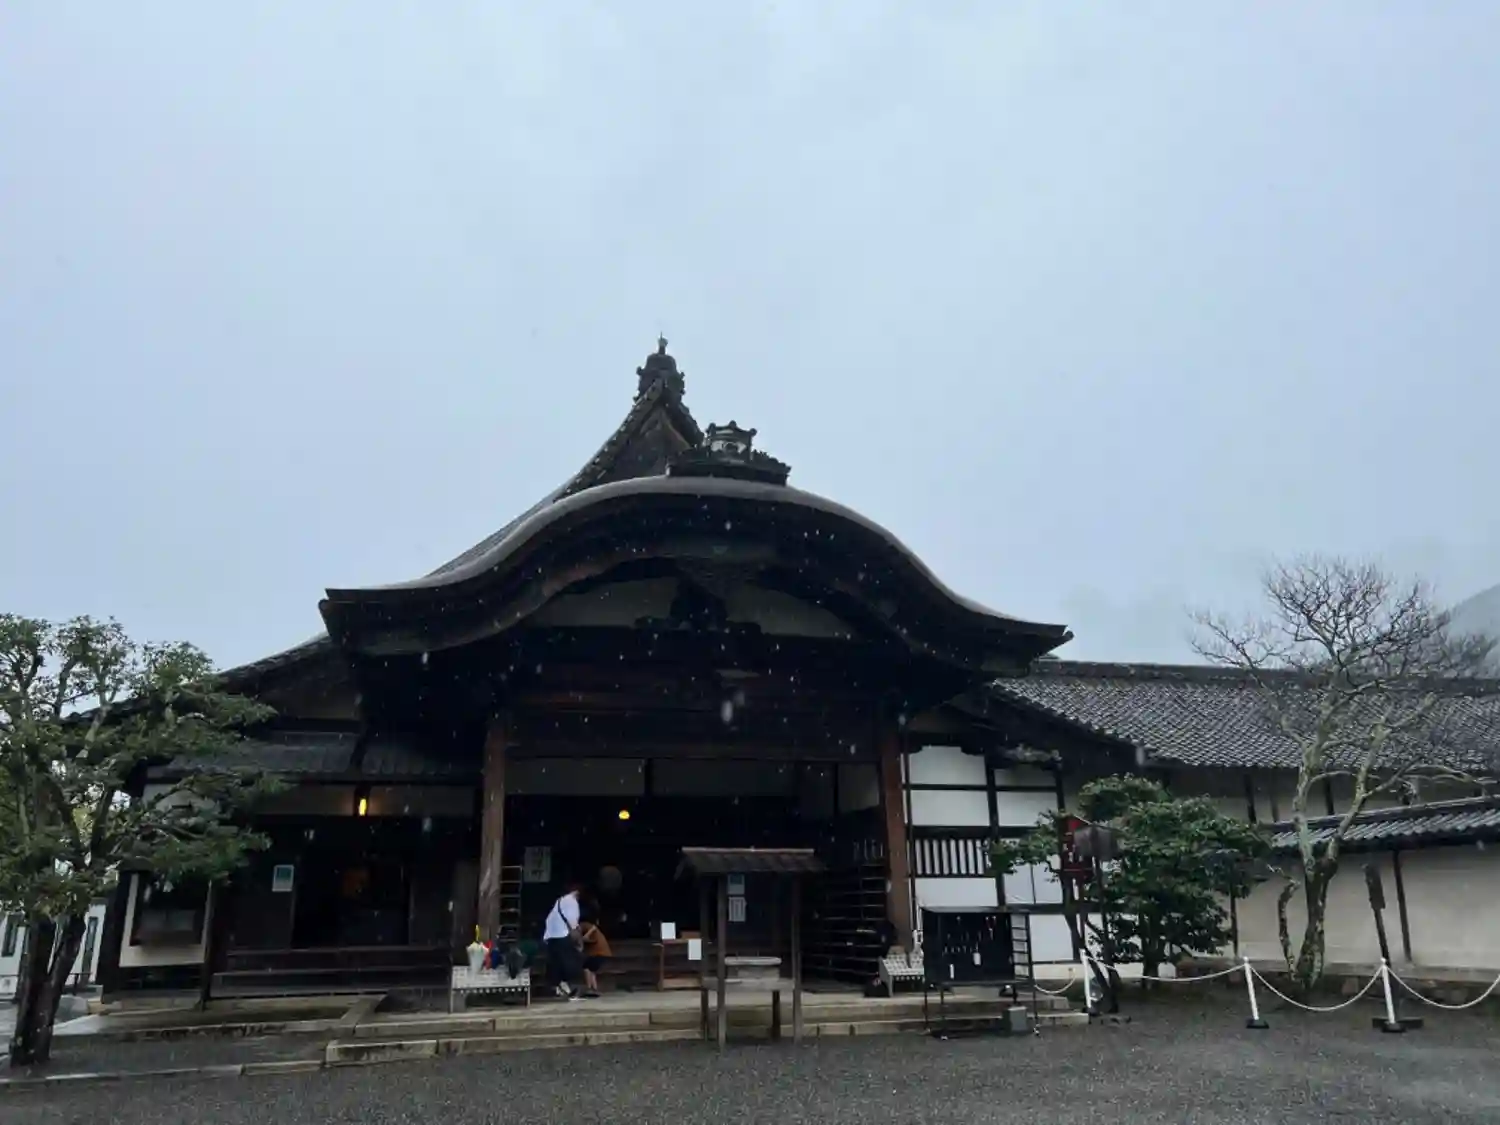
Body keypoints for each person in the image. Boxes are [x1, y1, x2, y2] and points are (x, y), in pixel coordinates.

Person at [542, 883, 584, 1000]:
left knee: (556, 963)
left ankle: (557, 987)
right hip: (562, 935)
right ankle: (569, 988)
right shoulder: (572, 902)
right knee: (569, 961)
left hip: (552, 936)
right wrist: (579, 941)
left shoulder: (559, 901)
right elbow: (573, 923)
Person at [578, 916, 612, 999]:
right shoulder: (591, 928)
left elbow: (587, 939)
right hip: (603, 953)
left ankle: (589, 988)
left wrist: (582, 939)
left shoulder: (585, 926)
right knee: (591, 970)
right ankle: (594, 989)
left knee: (586, 968)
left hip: (600, 953)